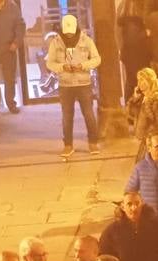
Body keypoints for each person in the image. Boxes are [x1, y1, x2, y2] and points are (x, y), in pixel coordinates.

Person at [46, 15, 102, 158]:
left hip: (83, 83)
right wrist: (62, 67)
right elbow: (49, 63)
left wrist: (83, 66)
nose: (69, 34)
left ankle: (93, 142)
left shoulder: (86, 41)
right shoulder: (55, 42)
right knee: (67, 116)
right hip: (65, 84)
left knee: (89, 114)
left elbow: (97, 59)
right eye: (67, 32)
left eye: (71, 31)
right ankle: (68, 145)